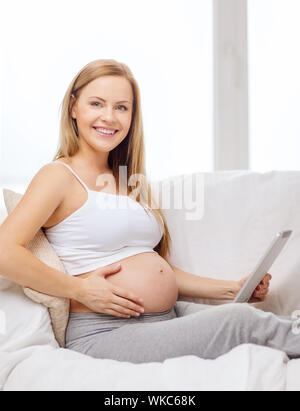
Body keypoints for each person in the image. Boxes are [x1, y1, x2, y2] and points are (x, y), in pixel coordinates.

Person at [0, 59, 298, 364]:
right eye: (97, 103)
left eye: (121, 107)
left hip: (163, 317)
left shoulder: (128, 180)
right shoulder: (59, 176)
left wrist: (232, 289)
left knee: (253, 316)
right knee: (242, 323)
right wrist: (79, 289)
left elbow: (155, 266)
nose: (109, 117)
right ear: (74, 107)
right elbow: (4, 251)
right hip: (105, 332)